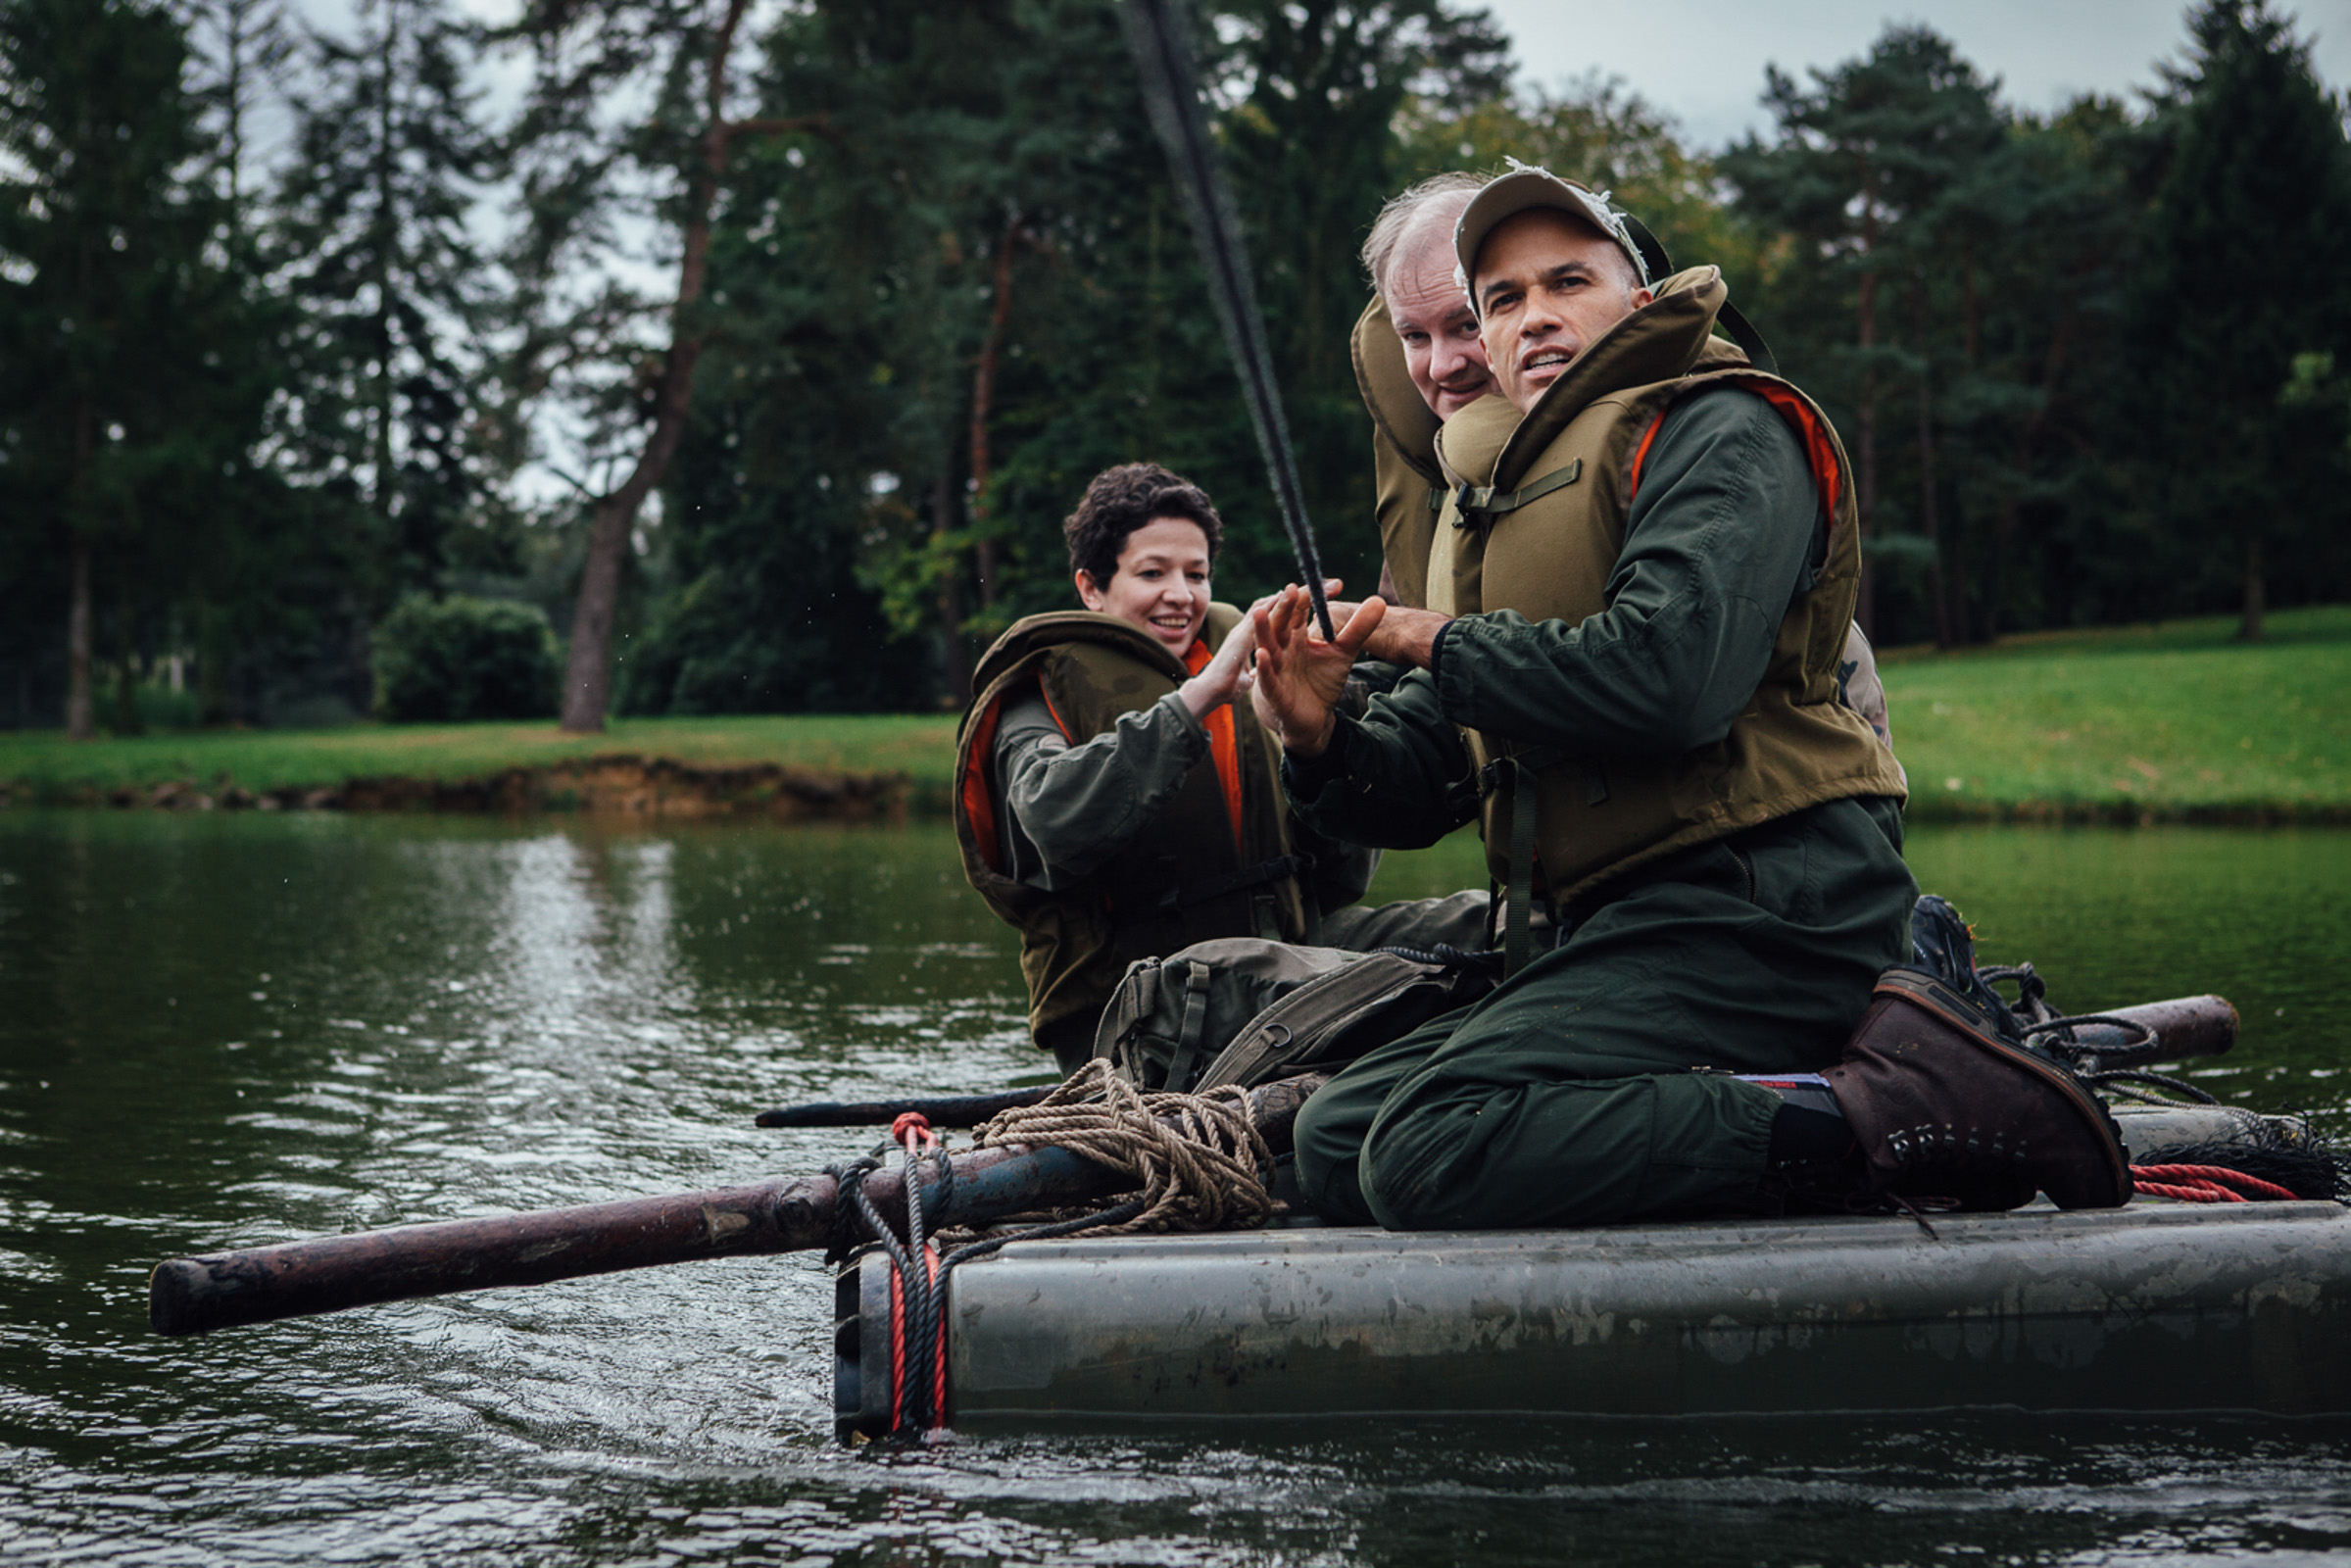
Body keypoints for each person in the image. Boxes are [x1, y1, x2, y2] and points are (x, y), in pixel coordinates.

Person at [1248, 164, 2128, 1229]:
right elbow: (1434, 772)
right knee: (1337, 1140)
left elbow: (1674, 683)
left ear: (1641, 295)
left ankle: (1887, 1116)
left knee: (1424, 1146)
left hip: (1767, 908)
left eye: (1566, 281)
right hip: (1627, 926)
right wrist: (1317, 737)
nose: (1526, 321)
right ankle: (1794, 1102)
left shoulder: (1723, 428)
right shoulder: (1499, 504)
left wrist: (1430, 637)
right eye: (1503, 301)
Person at [954, 463, 1486, 1075]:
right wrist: (1199, 698)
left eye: (1196, 574)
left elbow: (1338, 877)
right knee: (1388, 983)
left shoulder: (1252, 659)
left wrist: (1308, 734)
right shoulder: (1038, 692)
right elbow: (1049, 823)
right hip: (1137, 1016)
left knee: (1496, 927)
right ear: (1091, 587)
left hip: (1287, 958)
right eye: (1152, 573)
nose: (1180, 594)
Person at [1354, 171, 1899, 759]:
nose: (1442, 366)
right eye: (1414, 336)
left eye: (1461, 323)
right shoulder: (1446, 496)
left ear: (1636, 307)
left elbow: (1671, 681)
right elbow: (1435, 723)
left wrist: (1412, 635)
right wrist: (1323, 724)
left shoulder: (1709, 427)